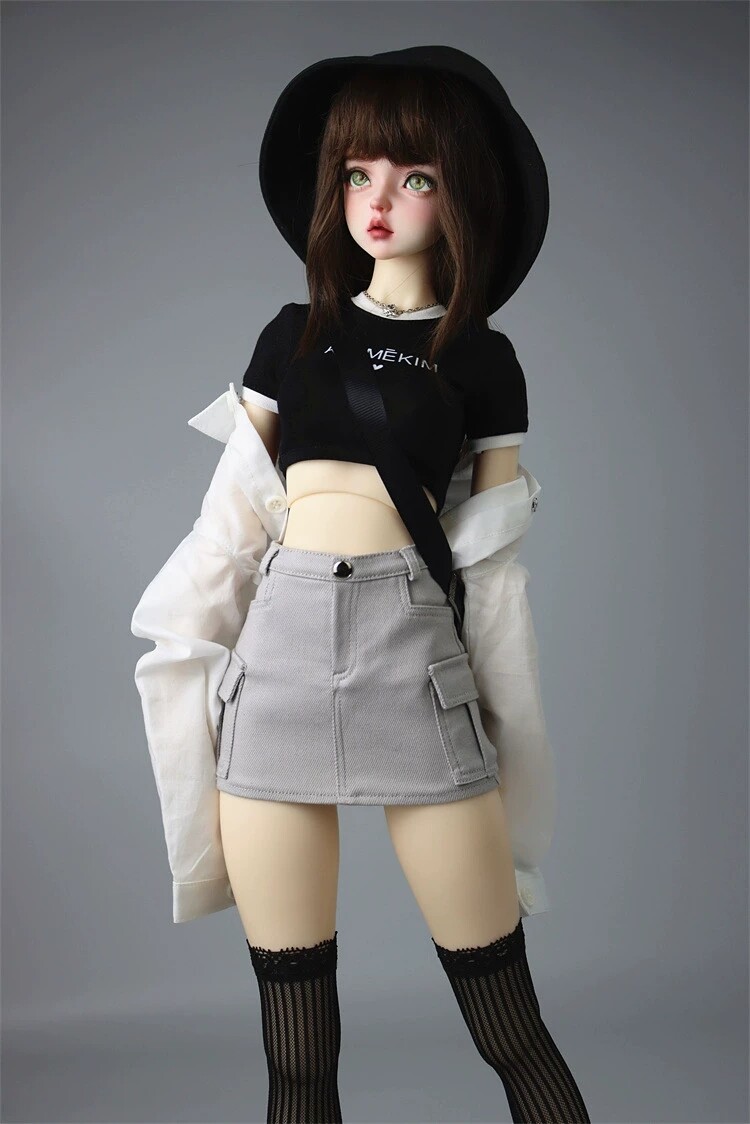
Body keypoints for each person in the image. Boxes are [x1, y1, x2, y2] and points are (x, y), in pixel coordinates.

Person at [132, 45, 591, 1124]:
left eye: (414, 176)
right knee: (297, 1054)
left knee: (511, 1028)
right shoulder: (292, 335)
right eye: (358, 174)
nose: (378, 202)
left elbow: (491, 570)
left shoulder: (481, 358)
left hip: (410, 659)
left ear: (458, 193)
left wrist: (512, 738)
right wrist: (176, 659)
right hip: (281, 663)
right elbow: (229, 527)